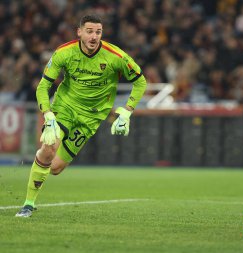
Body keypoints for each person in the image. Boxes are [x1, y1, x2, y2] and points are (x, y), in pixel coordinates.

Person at [15, 15, 147, 217]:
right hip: (65, 108)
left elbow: (140, 81)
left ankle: (38, 164)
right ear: (79, 32)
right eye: (90, 31)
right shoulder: (64, 53)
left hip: (91, 119)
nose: (94, 36)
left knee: (55, 168)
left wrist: (128, 111)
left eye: (98, 32)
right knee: (49, 149)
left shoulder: (115, 56)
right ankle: (28, 204)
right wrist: (48, 114)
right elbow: (43, 86)